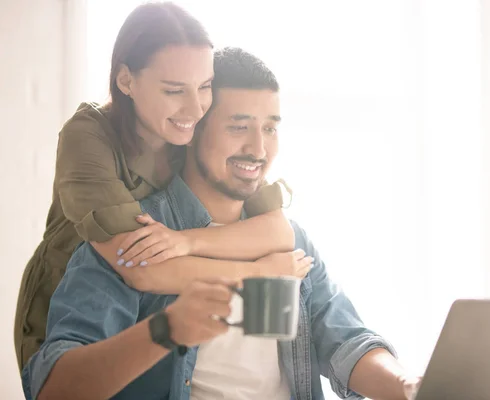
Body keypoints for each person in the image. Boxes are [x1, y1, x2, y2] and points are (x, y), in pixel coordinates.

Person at [22, 47, 419, 400]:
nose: (258, 149)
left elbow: (348, 342)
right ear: (191, 131)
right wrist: (165, 330)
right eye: (238, 127)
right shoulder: (137, 234)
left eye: (270, 128)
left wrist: (407, 387)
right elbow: (54, 388)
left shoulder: (289, 238)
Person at [14, 2, 307, 371]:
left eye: (204, 87)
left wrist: (188, 241)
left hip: (150, 309)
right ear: (126, 81)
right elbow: (140, 269)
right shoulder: (87, 136)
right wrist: (261, 272)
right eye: (174, 90)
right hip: (72, 305)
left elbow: (276, 229)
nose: (196, 108)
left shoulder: (187, 130)